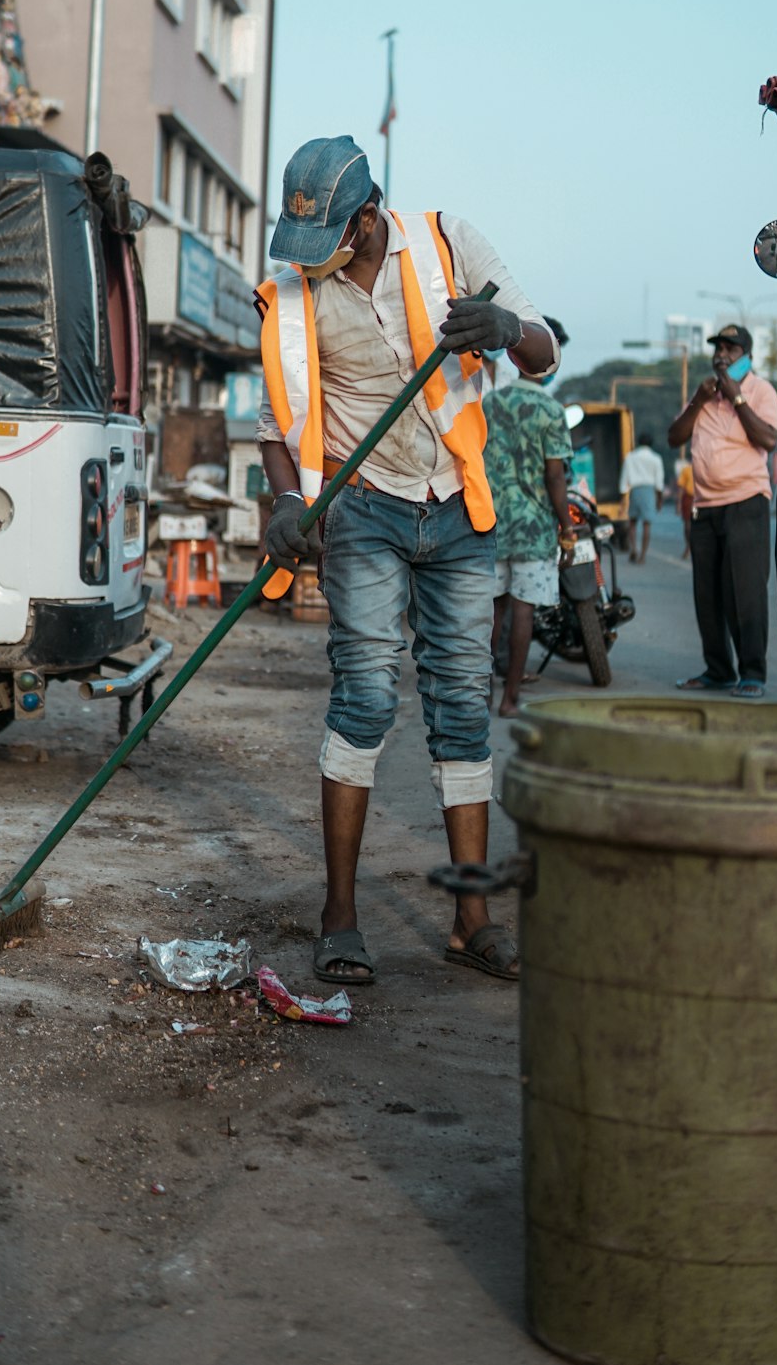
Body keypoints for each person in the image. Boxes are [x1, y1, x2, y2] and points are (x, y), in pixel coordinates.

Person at [255, 135, 557, 986]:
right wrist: (286, 500)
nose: (318, 258)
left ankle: (471, 920)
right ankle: (340, 916)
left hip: (459, 507)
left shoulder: (450, 243)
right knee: (364, 693)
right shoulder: (291, 294)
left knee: (462, 701)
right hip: (364, 512)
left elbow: (542, 350)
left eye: (334, 237)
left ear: (366, 213)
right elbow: (278, 420)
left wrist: (504, 328)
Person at [667, 324, 777, 698]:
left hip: (746, 502)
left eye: (730, 349)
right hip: (705, 507)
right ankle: (718, 670)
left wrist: (738, 399)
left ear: (746, 355)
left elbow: (768, 439)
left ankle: (753, 674)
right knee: (708, 596)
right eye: (718, 348)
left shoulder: (761, 391)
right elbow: (675, 437)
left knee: (745, 593)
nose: (721, 355)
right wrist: (700, 400)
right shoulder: (705, 393)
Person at [484, 317, 575, 717]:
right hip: (535, 528)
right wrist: (567, 528)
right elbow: (556, 475)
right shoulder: (551, 411)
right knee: (524, 610)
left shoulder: (490, 403)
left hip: (490, 523)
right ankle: (510, 699)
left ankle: (481, 692)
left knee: (493, 610)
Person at [620, 431, 666, 564]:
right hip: (649, 491)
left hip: (635, 490)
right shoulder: (656, 458)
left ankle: (634, 548)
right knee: (647, 524)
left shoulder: (630, 457)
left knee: (632, 522)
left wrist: (623, 496)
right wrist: (659, 499)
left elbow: (624, 478)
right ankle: (643, 555)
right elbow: (659, 482)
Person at [675, 456, 694, 558]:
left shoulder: (702, 467)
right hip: (689, 499)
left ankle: (690, 546)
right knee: (688, 524)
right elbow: (681, 488)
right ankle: (688, 546)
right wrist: (678, 504)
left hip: (698, 499)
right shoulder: (686, 469)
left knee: (689, 525)